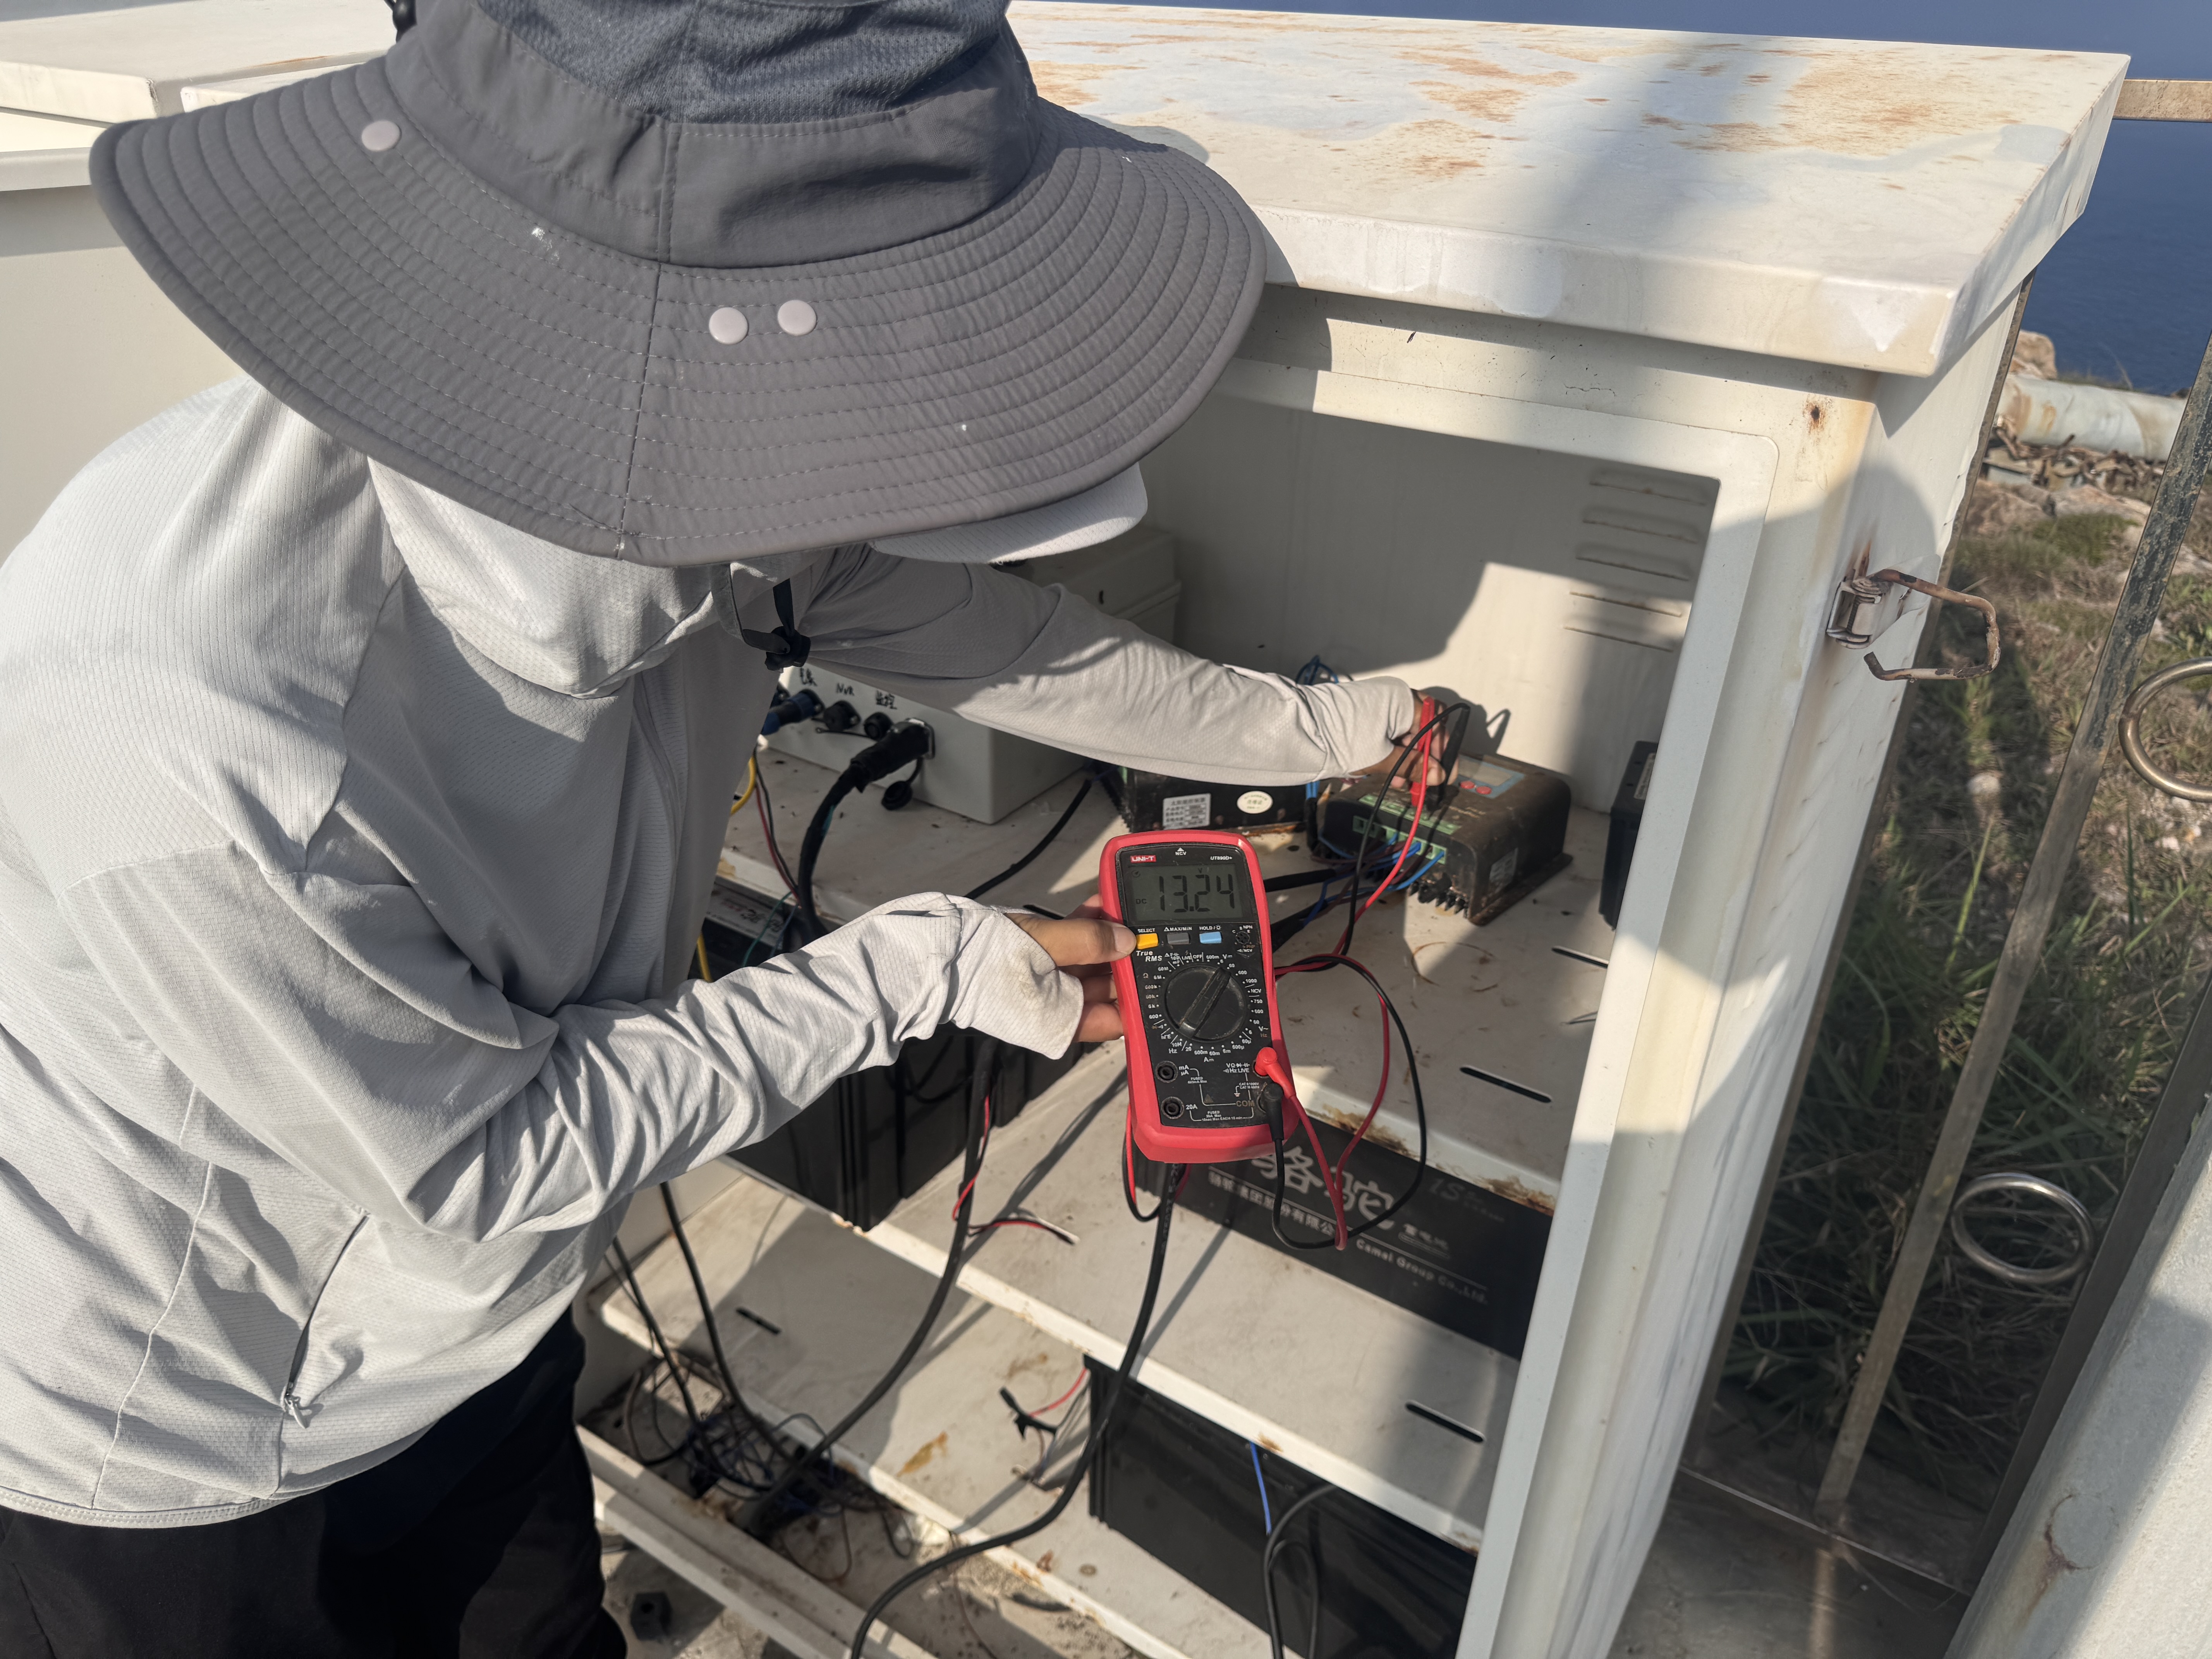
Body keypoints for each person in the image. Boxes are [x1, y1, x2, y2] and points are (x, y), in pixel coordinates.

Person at [0, 0, 1429, 1652]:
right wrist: (916, 969)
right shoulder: (185, 722)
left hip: (468, 1335)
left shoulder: (693, 478)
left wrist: (1331, 731)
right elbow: (488, 1156)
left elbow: (999, 638)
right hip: (168, 1434)